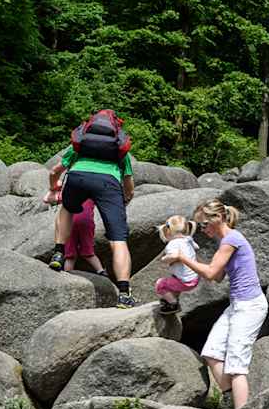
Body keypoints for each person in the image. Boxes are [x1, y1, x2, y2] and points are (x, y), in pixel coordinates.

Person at [176, 199, 266, 409]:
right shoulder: (224, 242)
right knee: (212, 352)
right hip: (236, 305)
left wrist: (182, 258)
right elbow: (216, 276)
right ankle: (228, 402)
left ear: (217, 219)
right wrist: (190, 257)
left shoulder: (232, 240)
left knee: (236, 365)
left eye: (204, 224)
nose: (203, 229)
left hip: (250, 306)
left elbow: (209, 273)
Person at [46, 109, 137, 308]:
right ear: (115, 128)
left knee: (67, 209)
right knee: (118, 240)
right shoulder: (119, 148)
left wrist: (54, 186)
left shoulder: (81, 143)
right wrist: (125, 200)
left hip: (77, 178)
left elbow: (55, 171)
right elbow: (129, 185)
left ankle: (59, 253)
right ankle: (123, 293)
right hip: (109, 184)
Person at [153, 214, 200, 314]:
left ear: (168, 231)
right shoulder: (188, 239)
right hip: (194, 279)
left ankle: (173, 304)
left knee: (160, 284)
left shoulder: (173, 244)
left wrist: (164, 259)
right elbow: (197, 247)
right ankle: (172, 298)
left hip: (185, 281)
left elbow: (174, 256)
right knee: (174, 278)